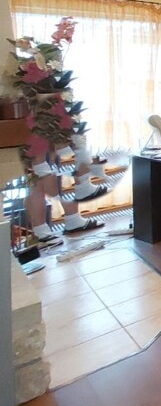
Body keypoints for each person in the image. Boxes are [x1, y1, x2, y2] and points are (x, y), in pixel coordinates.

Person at [10, 17, 104, 246]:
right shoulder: (29, 84)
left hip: (50, 139)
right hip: (34, 141)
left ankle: (72, 221)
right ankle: (42, 232)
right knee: (37, 184)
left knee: (60, 176)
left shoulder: (49, 83)